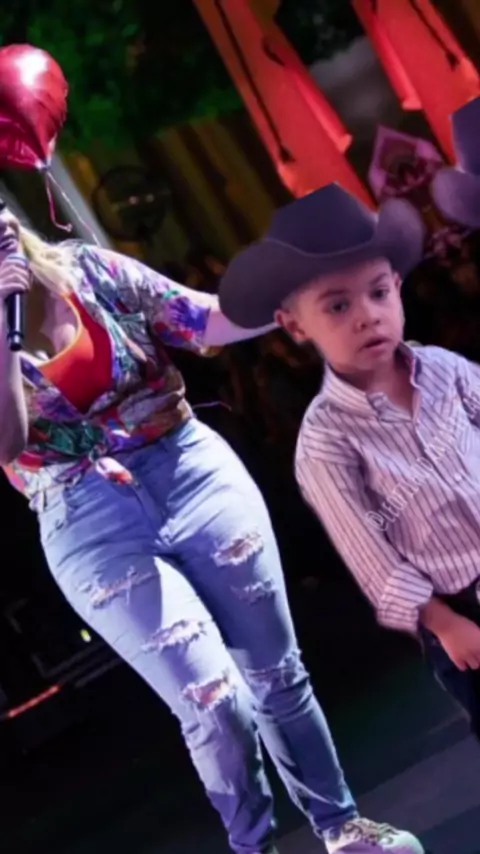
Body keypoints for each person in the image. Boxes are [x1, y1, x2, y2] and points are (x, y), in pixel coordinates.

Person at [0, 206, 424, 854]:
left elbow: (202, 318)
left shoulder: (88, 272)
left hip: (189, 470)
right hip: (86, 518)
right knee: (214, 702)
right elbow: (7, 441)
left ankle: (343, 830)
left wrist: (301, 295)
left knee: (277, 673)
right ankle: (255, 848)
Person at [218, 145, 480, 753]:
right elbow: (373, 559)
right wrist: (443, 623)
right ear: (295, 325)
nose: (367, 316)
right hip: (460, 614)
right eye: (337, 305)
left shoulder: (447, 372)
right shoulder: (325, 442)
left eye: (379, 292)